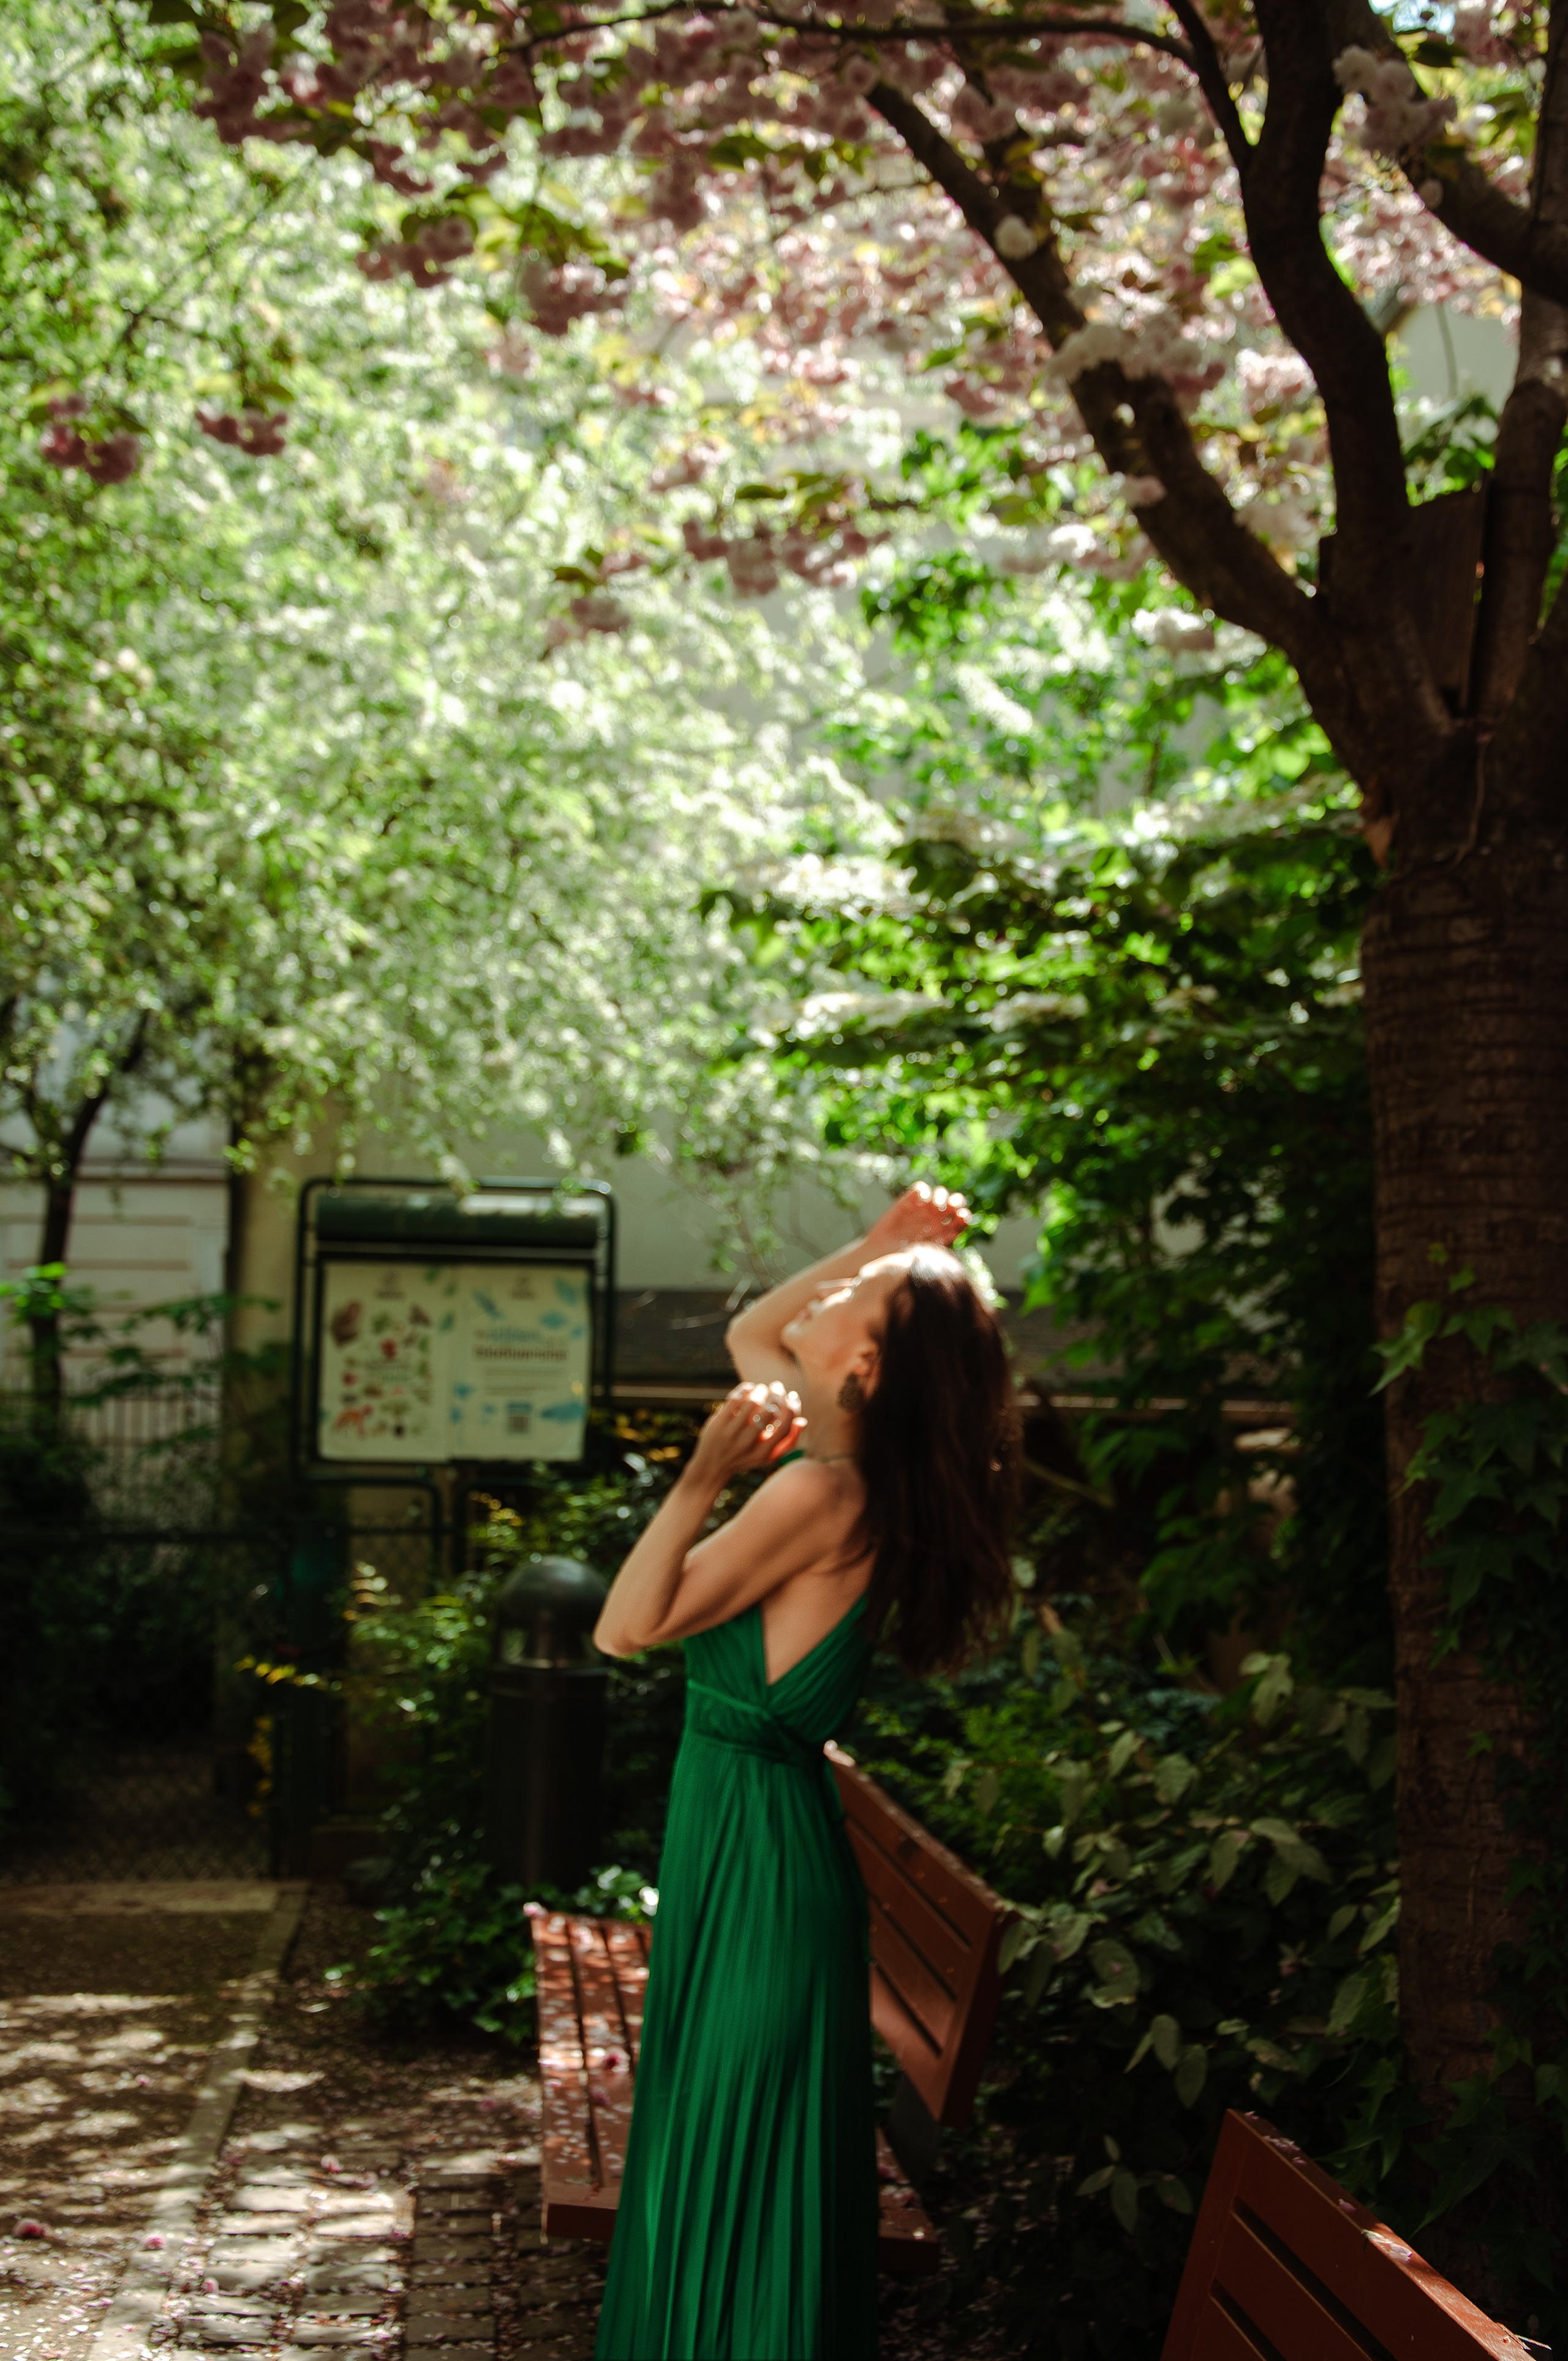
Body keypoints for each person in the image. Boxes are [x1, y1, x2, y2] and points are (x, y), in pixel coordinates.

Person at [591, 1183, 1020, 2361]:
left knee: (732, 2156)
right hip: (757, 1850)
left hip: (756, 1866)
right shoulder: (845, 1477)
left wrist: (693, 1482)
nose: (818, 1298)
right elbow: (755, 1338)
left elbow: (625, 1629)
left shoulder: (816, 1491)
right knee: (731, 2150)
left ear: (869, 1369)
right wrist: (883, 1248)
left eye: (854, 1299)